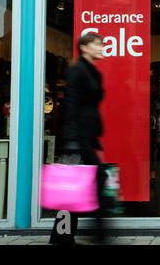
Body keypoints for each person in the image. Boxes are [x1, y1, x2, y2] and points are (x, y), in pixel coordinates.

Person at [49, 33, 108, 245]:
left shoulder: (92, 71)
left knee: (74, 187)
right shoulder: (77, 71)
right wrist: (74, 141)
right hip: (78, 138)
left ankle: (61, 236)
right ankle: (99, 234)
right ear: (84, 47)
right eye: (97, 44)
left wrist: (92, 139)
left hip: (86, 137)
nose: (101, 47)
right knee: (93, 180)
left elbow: (88, 106)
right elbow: (71, 106)